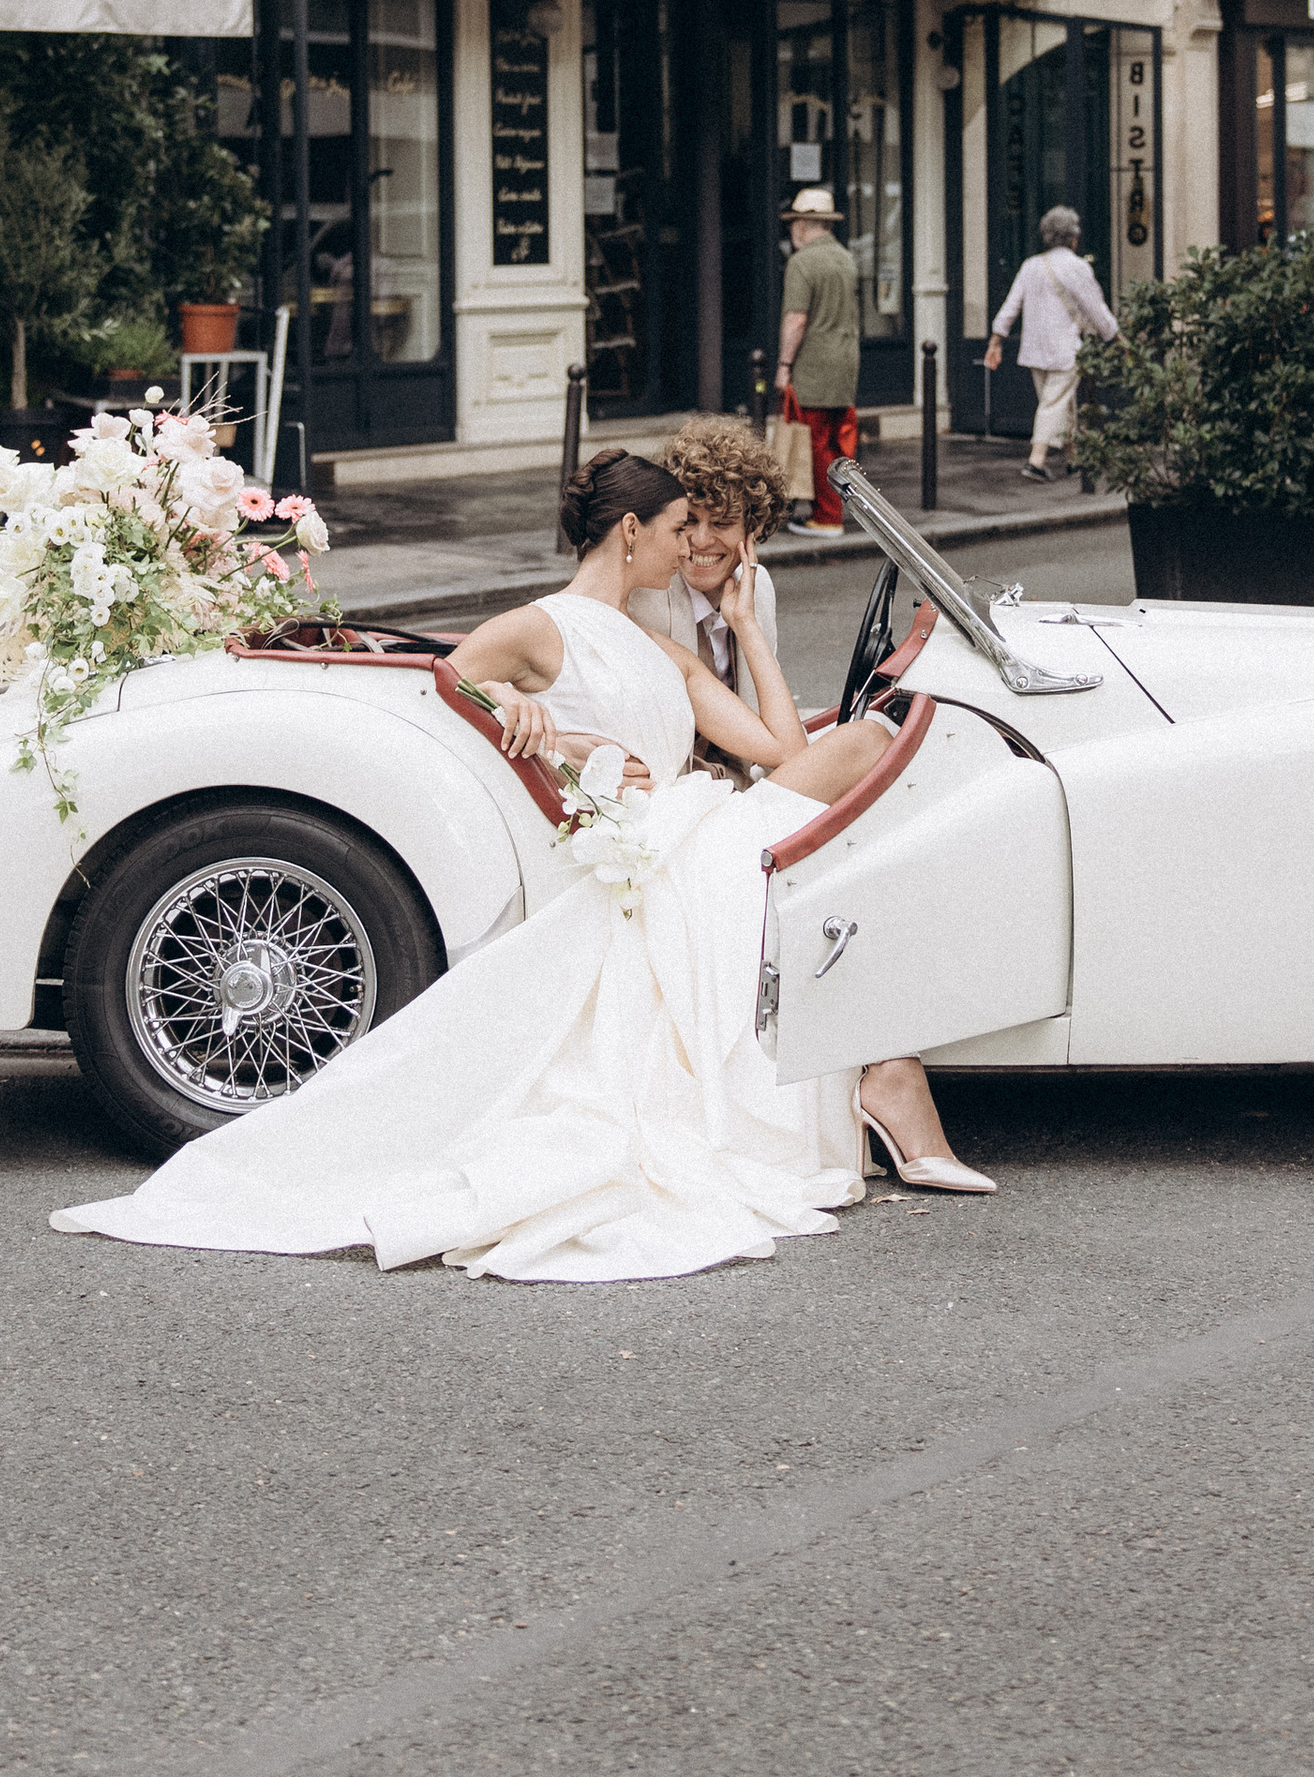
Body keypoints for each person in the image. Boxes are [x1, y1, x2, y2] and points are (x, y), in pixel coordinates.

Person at [48, 451, 992, 1282]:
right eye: (675, 529)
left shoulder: (663, 647)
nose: (686, 549)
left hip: (689, 827)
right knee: (867, 749)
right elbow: (441, 695)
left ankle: (884, 1059)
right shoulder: (542, 627)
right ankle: (888, 1066)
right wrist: (538, 723)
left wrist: (744, 625)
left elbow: (783, 753)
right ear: (631, 531)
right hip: (646, 843)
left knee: (867, 743)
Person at [633, 413, 786, 779]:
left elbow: (776, 731)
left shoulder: (759, 587)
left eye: (721, 523)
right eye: (689, 522)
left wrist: (744, 622)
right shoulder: (645, 595)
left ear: (754, 527)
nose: (700, 541)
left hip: (744, 782)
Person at [983, 204, 1120, 481]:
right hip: (1065, 349)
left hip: (1035, 350)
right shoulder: (1077, 267)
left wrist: (996, 340)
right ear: (1073, 238)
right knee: (1053, 404)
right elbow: (1096, 309)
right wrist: (1117, 336)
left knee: (1058, 402)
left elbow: (1011, 306)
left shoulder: (1030, 266)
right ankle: (1036, 460)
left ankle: (1073, 457)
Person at [775, 185, 860, 531]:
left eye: (793, 223)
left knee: (815, 442)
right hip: (846, 362)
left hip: (813, 366)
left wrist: (784, 365)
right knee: (840, 442)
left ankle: (826, 516)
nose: (791, 230)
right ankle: (833, 509)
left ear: (801, 225)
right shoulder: (846, 258)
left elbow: (796, 319)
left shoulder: (802, 262)